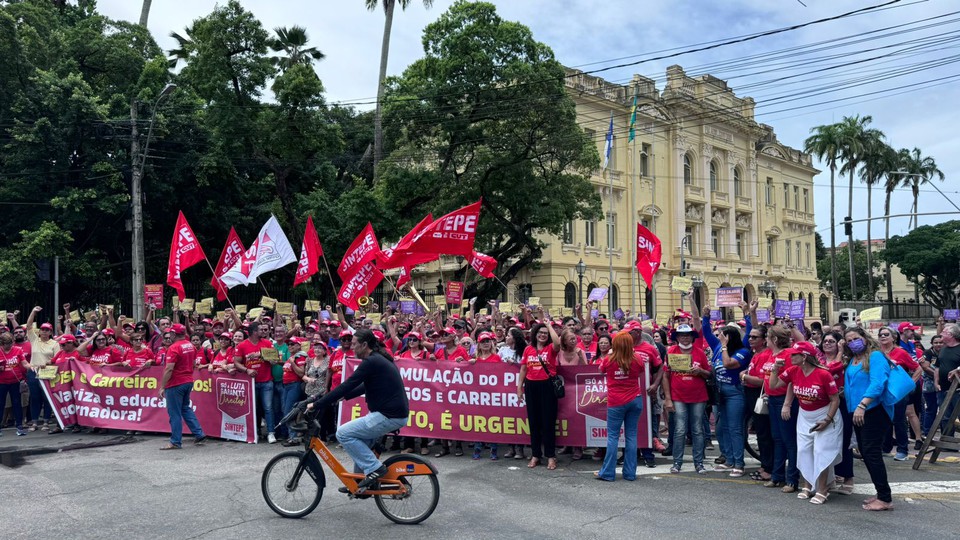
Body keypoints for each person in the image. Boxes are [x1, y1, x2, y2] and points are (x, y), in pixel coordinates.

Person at [305, 329, 409, 492]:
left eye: (354, 344)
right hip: (389, 414)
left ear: (365, 345)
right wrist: (343, 397)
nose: (352, 347)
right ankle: (358, 485)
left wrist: (318, 404)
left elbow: (348, 384)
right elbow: (363, 386)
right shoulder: (377, 359)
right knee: (362, 440)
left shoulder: (371, 362)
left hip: (388, 416)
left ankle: (375, 469)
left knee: (343, 433)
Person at [778, 342, 842, 504]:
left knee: (821, 451)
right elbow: (773, 385)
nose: (790, 357)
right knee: (804, 450)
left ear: (804, 356)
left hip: (825, 414)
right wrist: (774, 370)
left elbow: (835, 399)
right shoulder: (793, 371)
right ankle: (808, 485)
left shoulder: (823, 374)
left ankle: (823, 489)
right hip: (805, 415)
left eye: (794, 354)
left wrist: (827, 419)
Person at [843, 327, 893, 511]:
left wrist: (862, 405)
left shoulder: (876, 356)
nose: (852, 343)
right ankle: (881, 494)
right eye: (848, 341)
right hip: (857, 412)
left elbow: (878, 383)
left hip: (873, 411)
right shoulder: (854, 359)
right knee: (866, 452)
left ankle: (885, 499)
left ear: (864, 338)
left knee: (871, 453)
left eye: (855, 338)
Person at [700, 304, 752, 478]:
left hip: (735, 392)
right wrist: (705, 316)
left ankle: (739, 463)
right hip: (719, 391)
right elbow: (706, 332)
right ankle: (729, 458)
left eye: (723, 335)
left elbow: (729, 364)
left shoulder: (743, 351)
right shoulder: (716, 347)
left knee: (735, 428)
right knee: (721, 428)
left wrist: (747, 314)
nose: (719, 337)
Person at [662, 324, 712, 474]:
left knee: (697, 429)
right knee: (679, 430)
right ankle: (677, 462)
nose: (685, 337)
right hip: (678, 396)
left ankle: (699, 462)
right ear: (677, 338)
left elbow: (709, 374)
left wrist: (700, 371)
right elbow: (665, 376)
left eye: (688, 335)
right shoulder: (671, 352)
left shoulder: (700, 353)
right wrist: (668, 399)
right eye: (682, 335)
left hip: (698, 397)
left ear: (692, 337)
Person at [595, 333, 645, 481]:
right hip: (635, 400)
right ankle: (630, 473)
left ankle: (608, 473)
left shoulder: (609, 360)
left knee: (612, 437)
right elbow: (641, 370)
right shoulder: (637, 359)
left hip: (616, 402)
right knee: (631, 436)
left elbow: (600, 370)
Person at [516, 310, 562, 470]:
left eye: (544, 333)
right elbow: (523, 369)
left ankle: (551, 456)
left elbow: (558, 344)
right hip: (531, 386)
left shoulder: (550, 348)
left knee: (548, 422)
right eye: (540, 333)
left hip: (547, 386)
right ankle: (536, 455)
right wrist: (519, 388)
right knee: (534, 422)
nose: (542, 335)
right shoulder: (528, 350)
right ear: (535, 334)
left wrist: (548, 325)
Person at [762, 324, 799, 492]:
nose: (765, 341)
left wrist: (787, 403)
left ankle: (792, 479)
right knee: (777, 438)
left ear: (774, 339)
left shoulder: (789, 354)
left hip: (785, 399)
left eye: (768, 338)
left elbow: (793, 379)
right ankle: (777, 476)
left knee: (789, 440)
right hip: (773, 399)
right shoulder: (772, 354)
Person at [158, 324, 206, 450]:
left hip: (175, 383)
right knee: (185, 408)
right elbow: (194, 363)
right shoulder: (190, 345)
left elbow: (169, 369)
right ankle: (198, 433)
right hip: (188, 381)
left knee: (175, 413)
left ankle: (175, 442)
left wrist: (162, 386)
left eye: (171, 334)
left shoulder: (174, 348)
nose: (169, 337)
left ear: (174, 334)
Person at [877, 328, 921, 461]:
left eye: (886, 334)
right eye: (880, 335)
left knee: (899, 419)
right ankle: (886, 447)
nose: (883, 337)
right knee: (884, 419)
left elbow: (918, 367)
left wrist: (910, 384)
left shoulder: (901, 352)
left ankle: (903, 450)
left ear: (894, 337)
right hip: (882, 391)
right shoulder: (877, 353)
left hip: (898, 392)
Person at [820, 330, 855, 495]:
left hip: (841, 404)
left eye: (831, 341)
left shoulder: (846, 361)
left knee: (844, 441)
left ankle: (848, 477)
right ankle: (830, 478)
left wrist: (841, 353)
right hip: (821, 405)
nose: (827, 343)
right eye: (825, 341)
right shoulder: (818, 359)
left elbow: (830, 371)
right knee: (825, 442)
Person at [233, 322, 278, 443]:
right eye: (260, 330)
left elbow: (274, 359)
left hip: (266, 381)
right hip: (251, 383)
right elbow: (236, 362)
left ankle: (271, 433)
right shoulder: (242, 345)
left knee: (268, 408)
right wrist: (247, 370)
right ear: (254, 332)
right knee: (254, 409)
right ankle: (255, 432)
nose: (263, 331)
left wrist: (260, 355)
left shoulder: (267, 343)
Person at [742, 324, 773, 482]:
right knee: (761, 433)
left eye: (755, 337)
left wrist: (744, 377)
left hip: (758, 394)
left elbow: (762, 381)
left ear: (764, 340)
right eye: (750, 336)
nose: (751, 339)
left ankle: (768, 468)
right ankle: (765, 464)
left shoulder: (766, 354)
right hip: (750, 393)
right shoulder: (756, 354)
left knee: (764, 432)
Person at [0, 331, 30, 437]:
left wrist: (31, 367)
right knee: (1, 404)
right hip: (1, 382)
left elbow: (24, 363)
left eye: (10, 343)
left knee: (17, 403)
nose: (9, 346)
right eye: (6, 344)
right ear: (1, 344)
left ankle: (19, 426)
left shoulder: (17, 350)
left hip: (15, 381)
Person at [280, 337, 309, 445]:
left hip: (294, 385)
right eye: (289, 344)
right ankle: (291, 436)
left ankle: (294, 438)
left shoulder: (300, 356)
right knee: (285, 410)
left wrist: (292, 363)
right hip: (287, 386)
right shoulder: (292, 357)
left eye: (293, 344)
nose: (290, 346)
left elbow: (301, 373)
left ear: (298, 346)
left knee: (289, 411)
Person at [935, 324, 960, 436]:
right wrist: (936, 382)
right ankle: (947, 441)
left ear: (951, 335)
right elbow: (937, 367)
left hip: (957, 390)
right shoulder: (943, 349)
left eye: (944, 332)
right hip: (943, 388)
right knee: (945, 416)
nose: (941, 334)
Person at [920, 335, 942, 438]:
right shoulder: (928, 353)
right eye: (936, 343)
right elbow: (925, 367)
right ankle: (927, 433)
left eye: (940, 342)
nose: (938, 345)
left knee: (943, 411)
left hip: (943, 386)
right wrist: (938, 376)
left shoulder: (946, 352)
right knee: (931, 409)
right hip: (929, 386)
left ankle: (944, 433)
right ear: (932, 344)